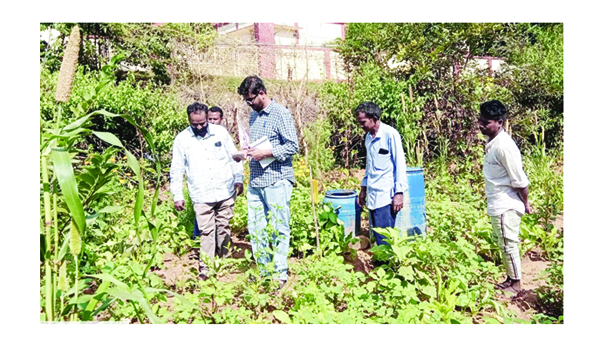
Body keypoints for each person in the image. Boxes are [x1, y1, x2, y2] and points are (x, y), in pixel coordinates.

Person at [237, 75, 298, 289]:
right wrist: (248, 152)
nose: (249, 104)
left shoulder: (281, 113)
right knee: (256, 228)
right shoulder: (254, 116)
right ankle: (264, 271)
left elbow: (292, 146)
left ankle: (280, 273)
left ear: (261, 93)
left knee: (279, 227)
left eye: (250, 99)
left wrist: (267, 151)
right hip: (256, 179)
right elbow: (257, 146)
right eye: (246, 100)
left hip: (277, 179)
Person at [170, 102, 244, 280]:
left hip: (225, 190)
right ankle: (206, 268)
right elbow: (177, 168)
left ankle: (224, 260)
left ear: (207, 118)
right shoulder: (182, 139)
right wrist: (177, 195)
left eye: (203, 123)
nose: (199, 127)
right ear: (189, 120)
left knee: (223, 227)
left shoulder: (220, 132)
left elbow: (234, 156)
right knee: (207, 232)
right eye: (195, 124)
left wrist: (239, 178)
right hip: (201, 193)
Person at [478, 100, 533, 294]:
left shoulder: (504, 147)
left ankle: (516, 285)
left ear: (499, 122)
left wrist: (526, 203)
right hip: (498, 203)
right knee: (503, 243)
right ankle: (510, 279)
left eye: (486, 122)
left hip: (505, 204)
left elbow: (520, 180)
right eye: (480, 120)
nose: (481, 125)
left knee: (509, 244)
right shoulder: (492, 142)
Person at [356, 101, 409, 246]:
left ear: (374, 117)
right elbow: (369, 166)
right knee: (377, 236)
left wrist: (399, 193)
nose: (361, 126)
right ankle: (380, 266)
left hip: (386, 196)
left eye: (363, 122)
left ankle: (388, 267)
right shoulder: (368, 138)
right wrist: (363, 189)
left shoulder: (390, 134)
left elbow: (400, 165)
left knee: (385, 238)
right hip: (373, 194)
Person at [192, 105, 226, 240]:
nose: (212, 122)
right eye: (210, 119)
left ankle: (219, 249)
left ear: (221, 119)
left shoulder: (222, 134)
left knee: (221, 221)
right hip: (202, 185)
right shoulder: (190, 137)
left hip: (221, 185)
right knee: (202, 218)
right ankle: (198, 242)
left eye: (215, 119)